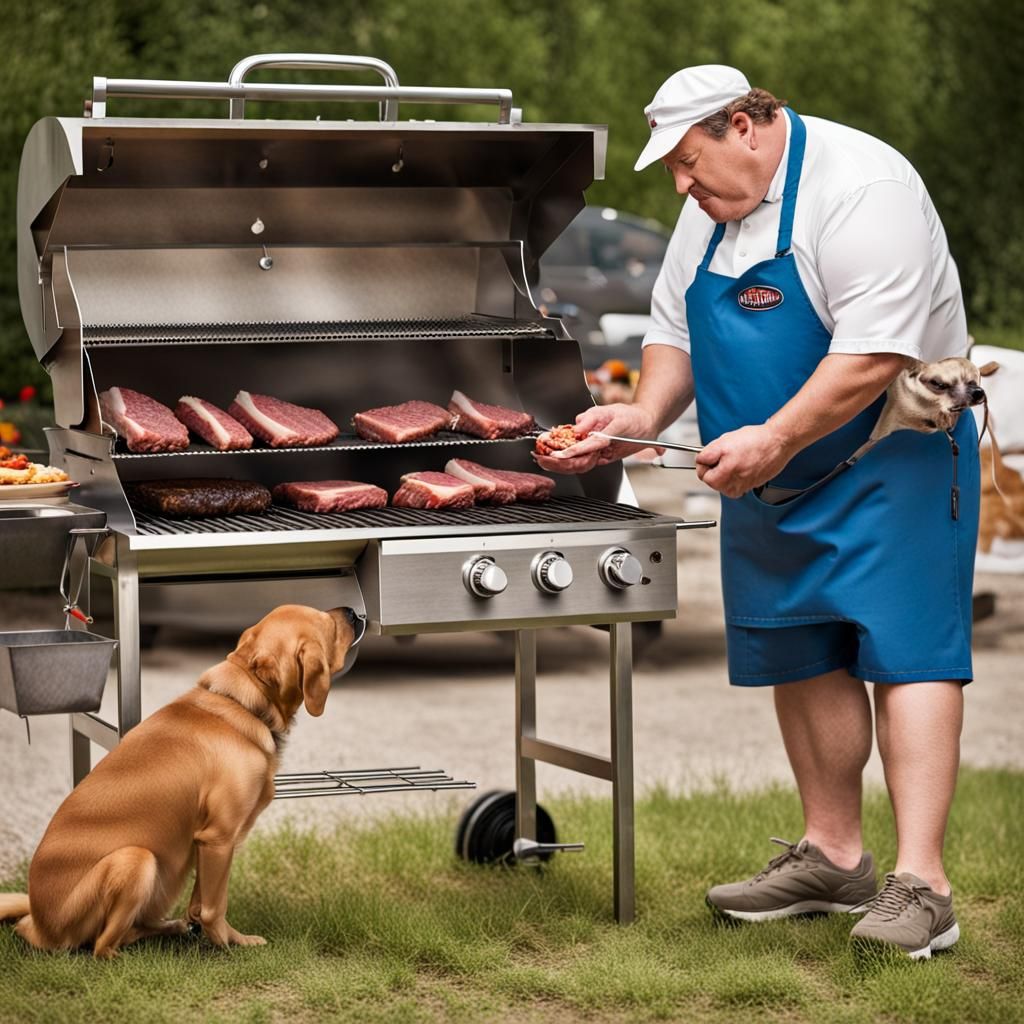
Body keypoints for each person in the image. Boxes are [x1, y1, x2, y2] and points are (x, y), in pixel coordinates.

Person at [535, 65, 978, 960]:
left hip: (892, 460)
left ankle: (924, 885)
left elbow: (873, 354)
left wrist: (772, 437)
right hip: (764, 475)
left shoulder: (864, 191)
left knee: (908, 653)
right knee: (797, 643)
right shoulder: (710, 210)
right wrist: (640, 416)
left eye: (688, 163)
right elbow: (673, 331)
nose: (682, 187)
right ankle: (834, 857)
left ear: (743, 125)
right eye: (673, 170)